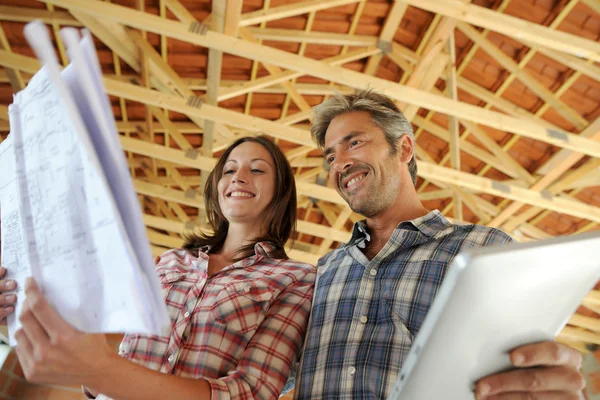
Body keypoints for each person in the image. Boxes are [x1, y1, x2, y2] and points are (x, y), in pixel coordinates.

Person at [293, 89, 585, 399]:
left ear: (404, 148)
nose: (340, 164)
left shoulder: (486, 250)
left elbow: (528, 371)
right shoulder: (321, 274)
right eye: (330, 156)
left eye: (355, 142)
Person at [0, 136, 316, 399]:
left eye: (257, 169)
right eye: (229, 169)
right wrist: (17, 303)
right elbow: (108, 340)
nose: (238, 176)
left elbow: (250, 391)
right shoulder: (169, 262)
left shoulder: (296, 279)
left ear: (281, 191)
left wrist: (102, 370)